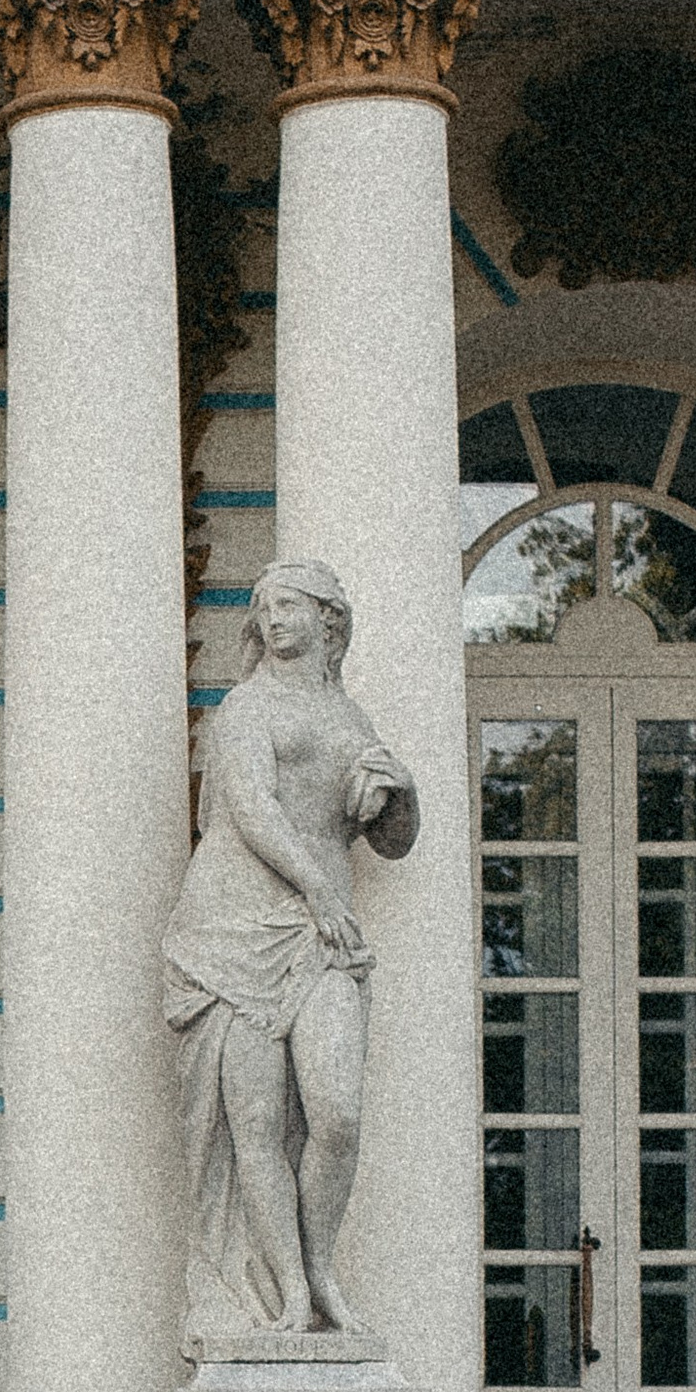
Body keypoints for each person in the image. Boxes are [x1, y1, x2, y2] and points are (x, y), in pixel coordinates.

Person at [161, 557, 417, 1344]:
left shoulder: (351, 718)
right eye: (264, 607)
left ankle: (320, 1266)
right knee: (256, 1128)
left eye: (290, 606)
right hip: (235, 928)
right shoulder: (246, 706)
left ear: (328, 621)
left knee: (336, 1113)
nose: (273, 620)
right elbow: (251, 811)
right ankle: (291, 1298)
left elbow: (392, 843)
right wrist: (319, 891)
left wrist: (403, 792)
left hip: (320, 931)